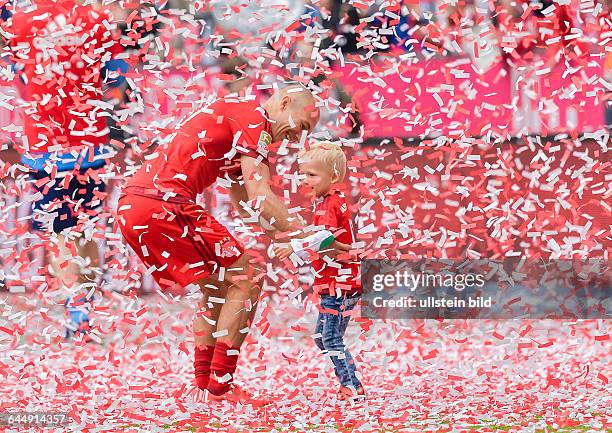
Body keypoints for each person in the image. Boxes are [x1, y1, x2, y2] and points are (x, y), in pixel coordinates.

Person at [115, 84, 351, 405]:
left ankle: (204, 388)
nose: (299, 138)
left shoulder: (240, 121)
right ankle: (221, 388)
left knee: (217, 288)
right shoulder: (253, 118)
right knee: (247, 280)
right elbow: (261, 197)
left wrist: (293, 241)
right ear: (284, 103)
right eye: (303, 126)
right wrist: (309, 236)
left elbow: (247, 208)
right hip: (165, 203)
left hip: (133, 204)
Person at [1, 0, 122, 339]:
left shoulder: (21, 20)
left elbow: (16, 72)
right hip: (90, 141)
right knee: (83, 231)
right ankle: (82, 306)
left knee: (61, 233)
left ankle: (76, 310)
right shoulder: (96, 16)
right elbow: (114, 79)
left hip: (45, 143)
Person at [273, 141, 364, 401]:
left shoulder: (329, 205)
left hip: (340, 283)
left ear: (333, 176)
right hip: (336, 281)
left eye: (312, 174)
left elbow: (324, 235)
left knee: (331, 338)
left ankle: (352, 386)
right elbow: (330, 240)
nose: (304, 179)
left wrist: (294, 247)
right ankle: (350, 383)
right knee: (323, 338)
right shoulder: (329, 202)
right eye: (302, 174)